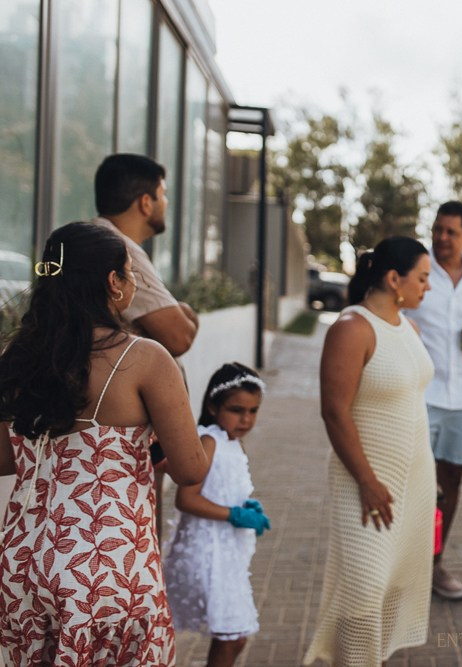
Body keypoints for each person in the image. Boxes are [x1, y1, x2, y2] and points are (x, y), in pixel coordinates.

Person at [0, 221, 208, 664]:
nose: (133, 282)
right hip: (109, 568)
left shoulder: (17, 358)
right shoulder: (144, 359)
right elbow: (191, 470)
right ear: (113, 283)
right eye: (130, 273)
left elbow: (3, 460)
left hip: (24, 563)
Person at [304, 236, 435, 666]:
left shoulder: (409, 327)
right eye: (422, 277)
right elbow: (334, 413)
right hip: (365, 480)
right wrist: (367, 481)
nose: (427, 287)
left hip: (414, 477)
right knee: (364, 586)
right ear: (394, 278)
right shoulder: (352, 327)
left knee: (395, 583)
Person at [406, 201, 462, 601]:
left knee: (452, 482)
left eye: (450, 232)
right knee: (413, 482)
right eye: (437, 229)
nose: (441, 238)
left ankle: (434, 564)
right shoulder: (418, 270)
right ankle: (404, 566)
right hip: (421, 393)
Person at [163, 362, 271, 667]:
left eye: (253, 411)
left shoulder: (231, 442)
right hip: (207, 552)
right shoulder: (208, 440)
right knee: (232, 636)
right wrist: (234, 515)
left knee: (233, 637)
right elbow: (187, 498)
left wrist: (246, 506)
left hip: (226, 553)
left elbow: (223, 487)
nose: (246, 419)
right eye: (237, 410)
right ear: (212, 406)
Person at [92, 153, 199, 357]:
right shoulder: (120, 249)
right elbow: (179, 337)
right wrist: (187, 313)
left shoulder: (91, 238)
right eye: (163, 194)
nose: (166, 202)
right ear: (146, 203)